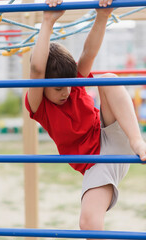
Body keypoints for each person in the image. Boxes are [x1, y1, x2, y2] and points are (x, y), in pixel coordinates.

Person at [25, 0, 146, 238]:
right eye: (59, 88)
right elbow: (38, 70)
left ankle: (138, 141)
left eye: (69, 86)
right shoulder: (40, 106)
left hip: (110, 137)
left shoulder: (76, 83)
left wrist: (102, 16)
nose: (66, 92)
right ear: (43, 88)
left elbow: (88, 53)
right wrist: (48, 21)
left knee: (108, 78)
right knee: (88, 223)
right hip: (95, 165)